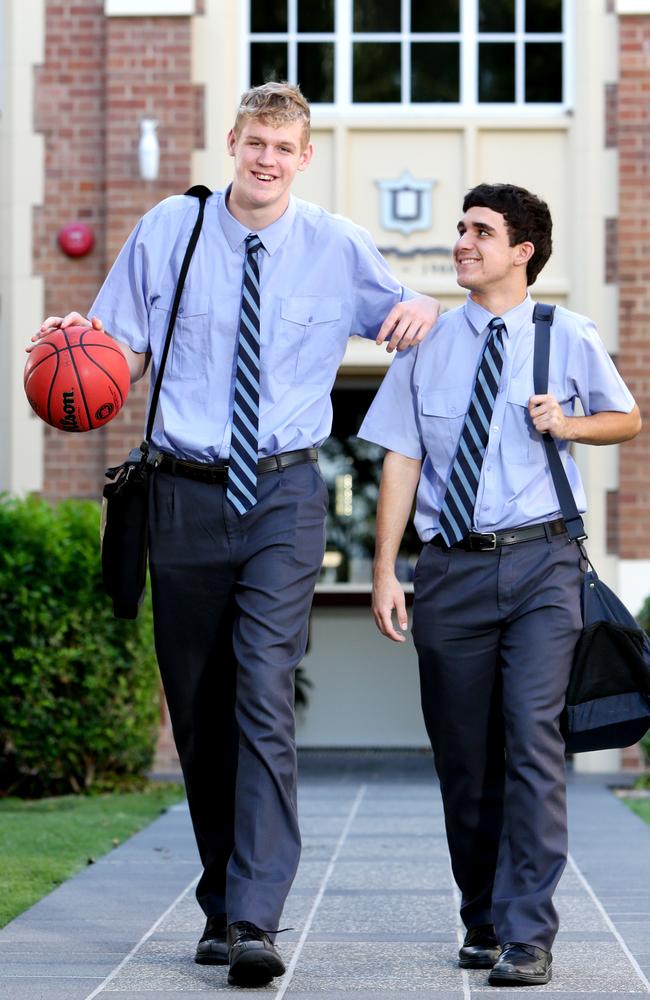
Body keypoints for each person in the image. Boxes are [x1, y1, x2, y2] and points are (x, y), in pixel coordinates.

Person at [31, 82, 441, 988]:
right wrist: (76, 345)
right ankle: (222, 896)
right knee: (199, 704)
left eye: (282, 148)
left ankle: (256, 916)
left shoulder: (337, 246)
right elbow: (116, 348)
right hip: (180, 491)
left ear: (303, 158)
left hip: (285, 496)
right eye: (254, 141)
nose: (266, 159)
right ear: (232, 142)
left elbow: (403, 317)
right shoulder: (166, 232)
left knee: (262, 690)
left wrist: (427, 311)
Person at [358, 183, 641, 987]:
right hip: (451, 570)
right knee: (464, 756)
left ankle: (528, 933)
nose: (462, 243)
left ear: (523, 251)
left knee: (532, 745)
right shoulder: (429, 345)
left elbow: (625, 417)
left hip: (545, 563)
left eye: (481, 232)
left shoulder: (566, 335)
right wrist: (385, 569)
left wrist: (568, 422)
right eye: (460, 229)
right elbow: (401, 459)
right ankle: (480, 916)